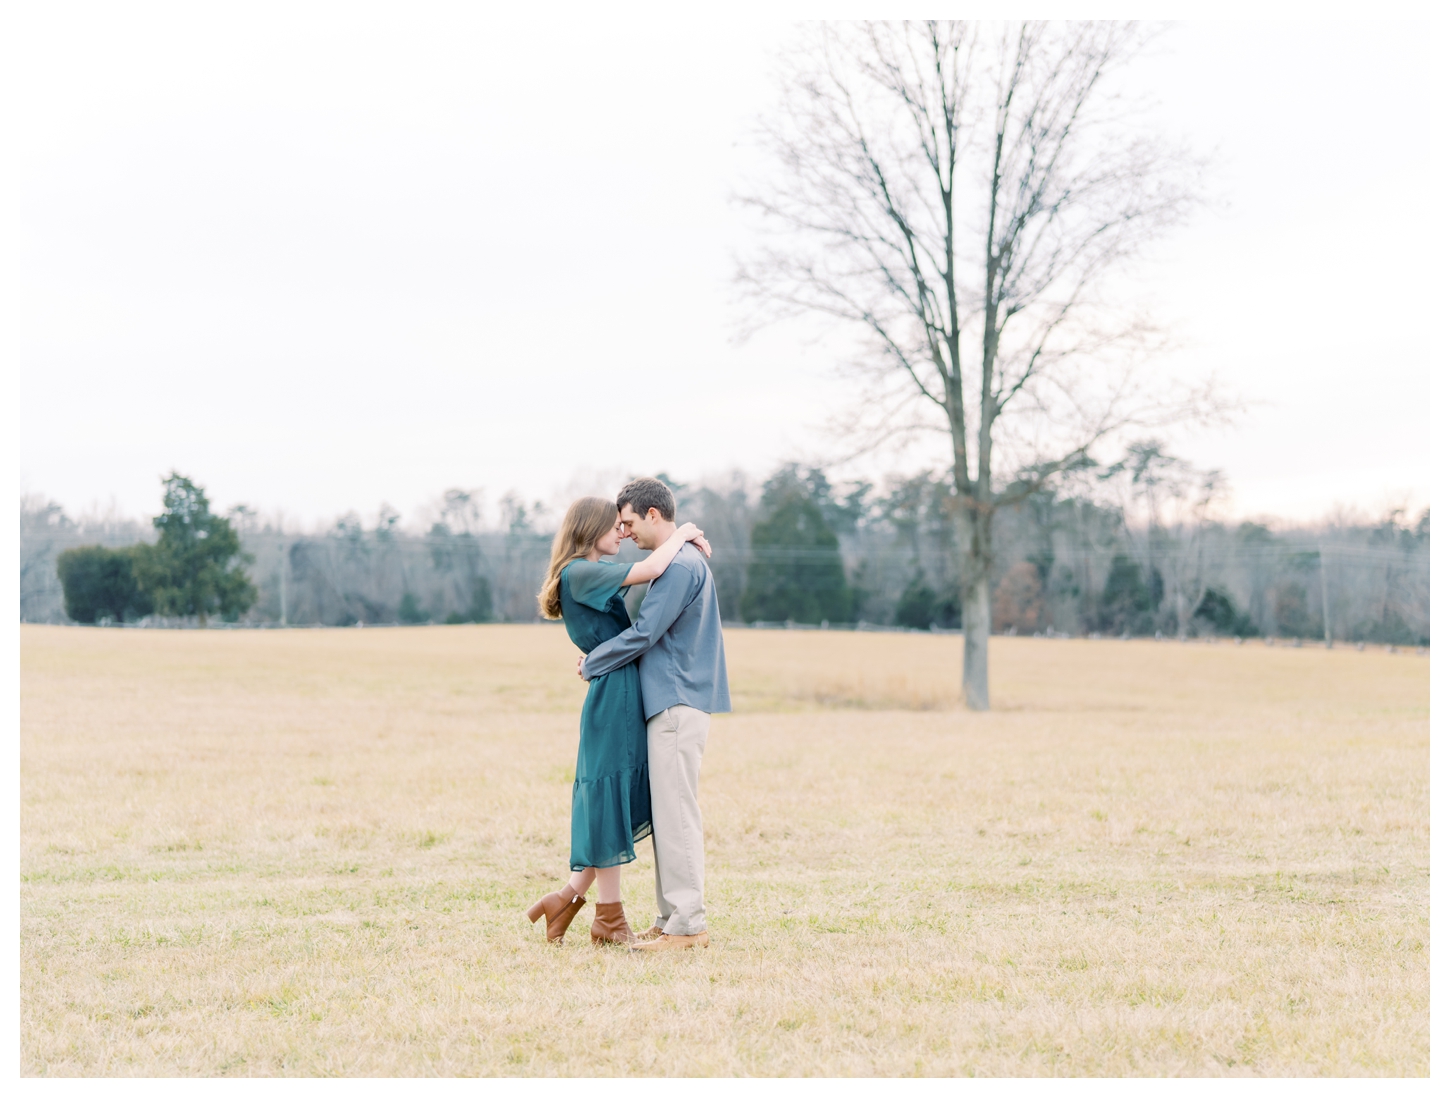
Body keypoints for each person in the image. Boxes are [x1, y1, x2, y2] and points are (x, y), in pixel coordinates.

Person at [527, 497, 710, 945]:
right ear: (590, 531)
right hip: (614, 692)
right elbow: (649, 572)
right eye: (615, 527)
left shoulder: (585, 574)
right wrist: (682, 533)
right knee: (609, 795)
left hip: (618, 686)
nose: (622, 534)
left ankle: (568, 897)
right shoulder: (580, 571)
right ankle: (608, 917)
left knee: (615, 796)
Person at [578, 477, 731, 952]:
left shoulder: (681, 566)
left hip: (677, 702)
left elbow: (645, 634)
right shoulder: (677, 561)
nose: (625, 533)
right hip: (670, 701)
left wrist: (593, 661)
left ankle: (688, 926)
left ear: (651, 514)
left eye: (628, 522)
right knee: (667, 814)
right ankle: (671, 920)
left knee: (677, 812)